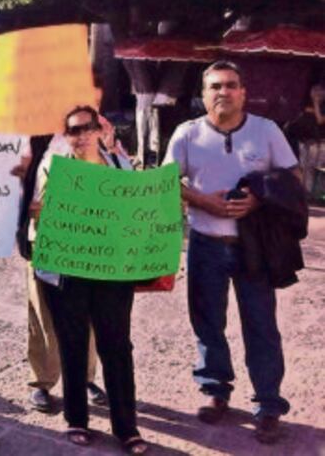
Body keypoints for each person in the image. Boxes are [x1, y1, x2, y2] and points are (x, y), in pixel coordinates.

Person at [164, 60, 298, 444]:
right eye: (215, 86)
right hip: (205, 243)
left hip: (253, 247)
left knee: (261, 326)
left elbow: (292, 176)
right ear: (203, 95)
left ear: (243, 92)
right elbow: (166, 181)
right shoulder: (187, 134)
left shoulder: (266, 131)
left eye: (231, 85)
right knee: (207, 322)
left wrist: (258, 198)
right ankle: (215, 390)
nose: (224, 92)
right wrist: (202, 200)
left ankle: (269, 405)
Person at [32, 105, 148, 454]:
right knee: (72, 342)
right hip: (68, 268)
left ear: (100, 130)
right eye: (73, 130)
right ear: (65, 136)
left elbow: (136, 212)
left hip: (112, 270)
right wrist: (40, 210)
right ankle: (76, 420)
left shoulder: (120, 165)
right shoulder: (54, 165)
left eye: (86, 128)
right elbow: (37, 211)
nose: (80, 135)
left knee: (117, 345)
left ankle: (127, 426)